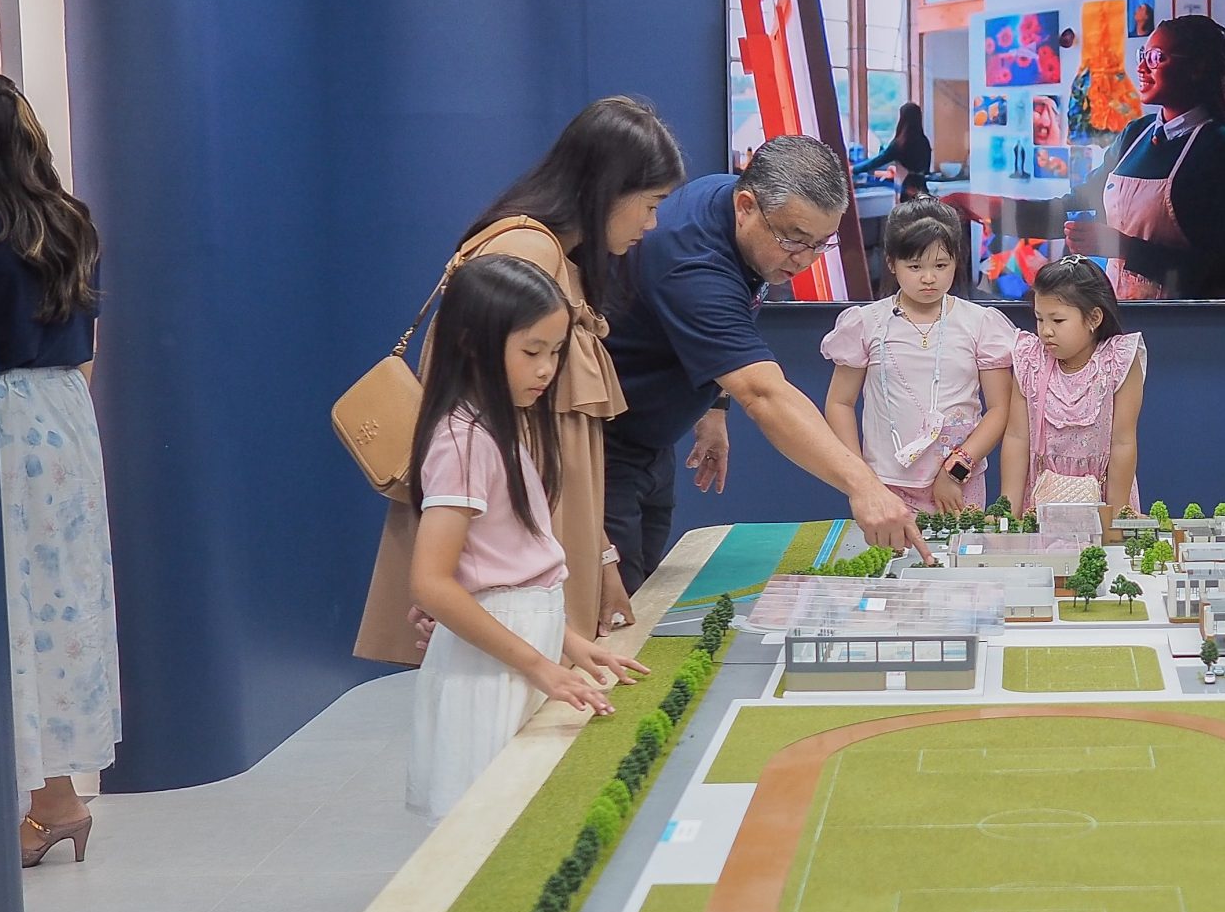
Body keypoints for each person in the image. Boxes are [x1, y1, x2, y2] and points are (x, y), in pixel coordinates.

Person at [360, 97, 684, 661]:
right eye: (650, 204)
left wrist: (601, 555)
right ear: (609, 188)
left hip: (547, 536)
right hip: (519, 559)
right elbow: (498, 443)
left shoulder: (555, 255)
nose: (651, 224)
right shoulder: (525, 253)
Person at [602, 136, 924, 591]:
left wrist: (714, 406)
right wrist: (865, 486)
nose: (806, 260)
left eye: (821, 244)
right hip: (604, 446)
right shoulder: (692, 263)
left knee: (642, 587)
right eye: (794, 240)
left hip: (651, 442)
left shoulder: (734, 205)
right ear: (746, 207)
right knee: (616, 605)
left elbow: (707, 334)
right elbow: (763, 393)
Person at [404, 256, 645, 822]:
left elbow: (507, 567)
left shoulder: (498, 427)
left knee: (519, 815)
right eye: (531, 351)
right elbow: (432, 583)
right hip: (495, 668)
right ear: (472, 344)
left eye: (555, 352)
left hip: (519, 651)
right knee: (488, 824)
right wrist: (538, 664)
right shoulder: (462, 440)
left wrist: (567, 643)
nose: (546, 369)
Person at [0, 73, 124, 869]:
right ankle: (59, 799)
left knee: (12, 611)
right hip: (67, 416)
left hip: (1, 421)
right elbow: (88, 350)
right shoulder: (70, 221)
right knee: (63, 609)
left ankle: (39, 802)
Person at [821, 197, 1017, 513]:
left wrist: (956, 470)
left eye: (941, 265)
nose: (928, 278)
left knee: (960, 546)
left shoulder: (980, 323)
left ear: (957, 260)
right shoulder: (865, 323)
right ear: (891, 263)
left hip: (958, 482)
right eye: (914, 267)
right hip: (883, 484)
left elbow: (999, 408)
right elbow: (840, 402)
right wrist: (860, 479)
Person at [1061, 14, 1225, 300]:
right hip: (1121, 311)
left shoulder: (1221, 150)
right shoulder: (1135, 134)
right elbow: (1079, 201)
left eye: (1156, 58)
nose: (1141, 68)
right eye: (1143, 55)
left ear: (1196, 68)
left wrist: (1124, 247)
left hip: (1180, 320)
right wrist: (1002, 211)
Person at [1002, 255, 1146, 516]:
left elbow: (1123, 442)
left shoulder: (1119, 359)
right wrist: (1008, 513)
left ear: (1094, 318)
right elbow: (1016, 437)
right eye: (1039, 319)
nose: (1046, 331)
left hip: (1104, 498)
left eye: (1057, 321)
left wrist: (1116, 517)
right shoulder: (1029, 358)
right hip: (1041, 499)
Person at [870, 103, 932, 198]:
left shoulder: (900, 143)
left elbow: (878, 160)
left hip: (908, 187)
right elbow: (926, 169)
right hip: (922, 186)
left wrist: (855, 169)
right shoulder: (924, 141)